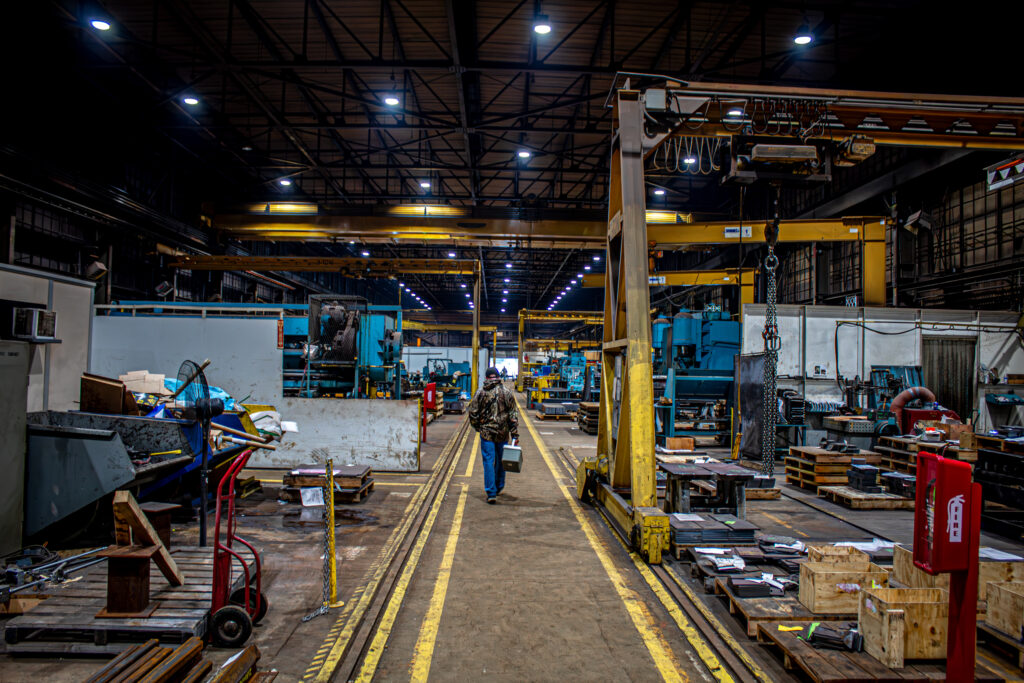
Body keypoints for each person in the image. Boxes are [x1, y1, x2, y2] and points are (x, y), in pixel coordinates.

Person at [467, 367, 519, 504]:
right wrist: (514, 433)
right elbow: (513, 414)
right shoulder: (506, 392)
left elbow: (472, 412)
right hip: (503, 433)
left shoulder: (480, 392)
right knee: (502, 460)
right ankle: (499, 486)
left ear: (486, 377)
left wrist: (478, 427)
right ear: (498, 376)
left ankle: (491, 492)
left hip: (486, 434)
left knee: (488, 461)